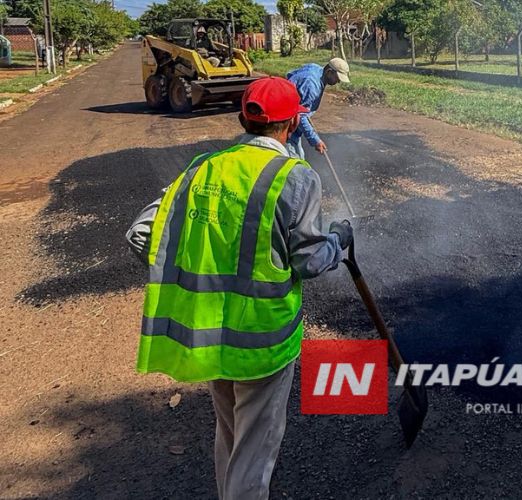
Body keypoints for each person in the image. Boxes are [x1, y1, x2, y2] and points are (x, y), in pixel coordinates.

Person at [126, 77, 353, 499]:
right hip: (262, 343)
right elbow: (309, 261)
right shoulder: (296, 177)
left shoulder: (202, 168)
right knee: (253, 454)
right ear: (292, 124)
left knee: (230, 437)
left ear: (242, 119)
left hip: (209, 336)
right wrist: (337, 241)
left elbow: (141, 234)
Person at [285, 58, 351, 159]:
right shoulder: (312, 85)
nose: (338, 81)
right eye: (337, 78)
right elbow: (300, 115)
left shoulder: (315, 69)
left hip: (291, 122)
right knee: (295, 161)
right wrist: (315, 140)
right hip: (286, 124)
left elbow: (290, 75)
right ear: (329, 72)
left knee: (300, 157)